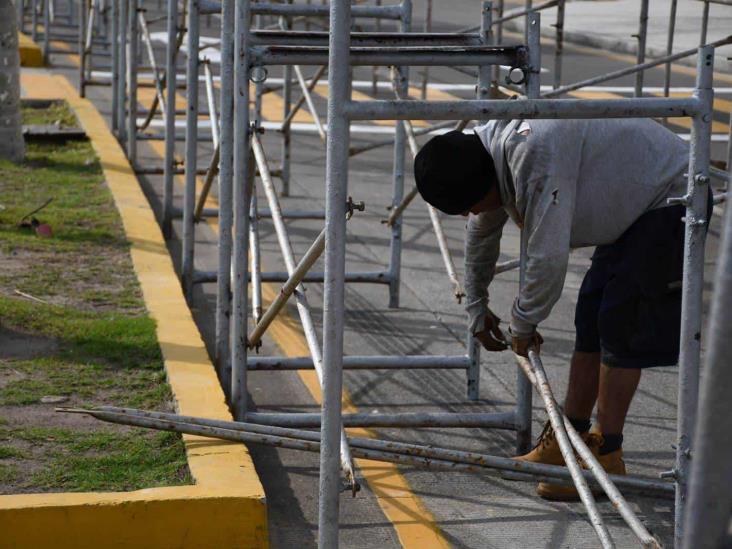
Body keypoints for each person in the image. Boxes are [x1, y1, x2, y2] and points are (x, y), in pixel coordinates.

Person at [414, 118, 698, 500]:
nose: (468, 215)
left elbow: (546, 256)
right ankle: (567, 441)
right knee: (590, 317)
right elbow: (482, 232)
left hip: (671, 194)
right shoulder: (488, 155)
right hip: (635, 203)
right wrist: (477, 306)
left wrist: (523, 323)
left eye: (468, 206)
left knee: (622, 323)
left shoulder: (533, 156)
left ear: (484, 185)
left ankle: (606, 455)